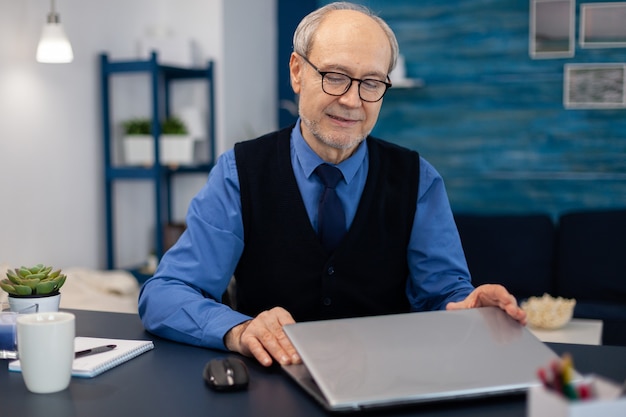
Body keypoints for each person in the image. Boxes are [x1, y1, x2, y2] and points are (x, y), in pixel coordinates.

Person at [138, 1, 526, 368]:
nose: (353, 100)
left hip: (387, 382)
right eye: (335, 77)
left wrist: (466, 311)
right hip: (271, 386)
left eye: (371, 82)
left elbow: (443, 294)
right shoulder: (239, 173)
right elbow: (164, 294)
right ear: (297, 72)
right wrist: (237, 330)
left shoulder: (418, 179)